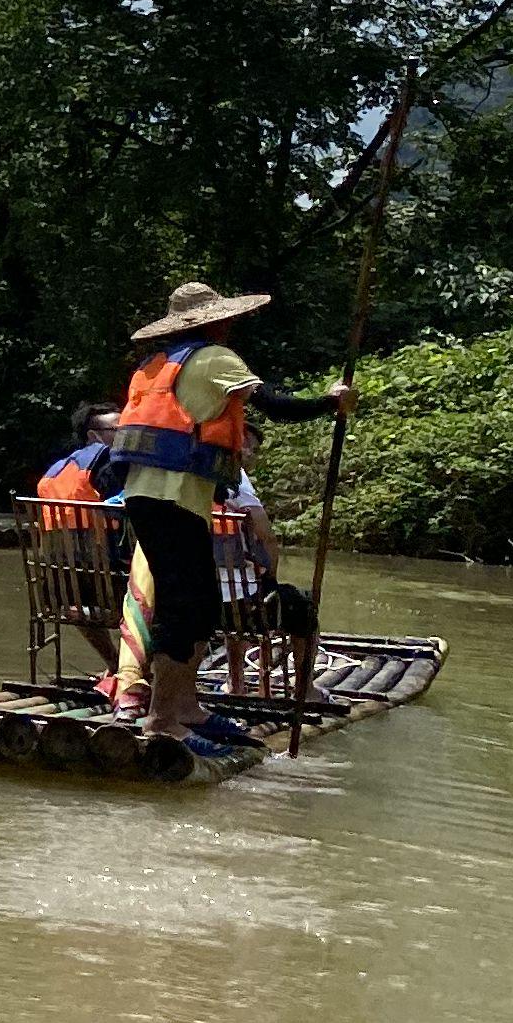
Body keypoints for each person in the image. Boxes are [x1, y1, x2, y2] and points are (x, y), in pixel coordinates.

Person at [110, 281, 349, 741]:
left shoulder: (157, 364)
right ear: (218, 321)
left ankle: (184, 706)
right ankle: (164, 718)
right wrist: (329, 402)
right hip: (175, 499)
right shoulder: (216, 358)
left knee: (197, 605)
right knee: (185, 608)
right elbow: (273, 405)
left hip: (147, 498)